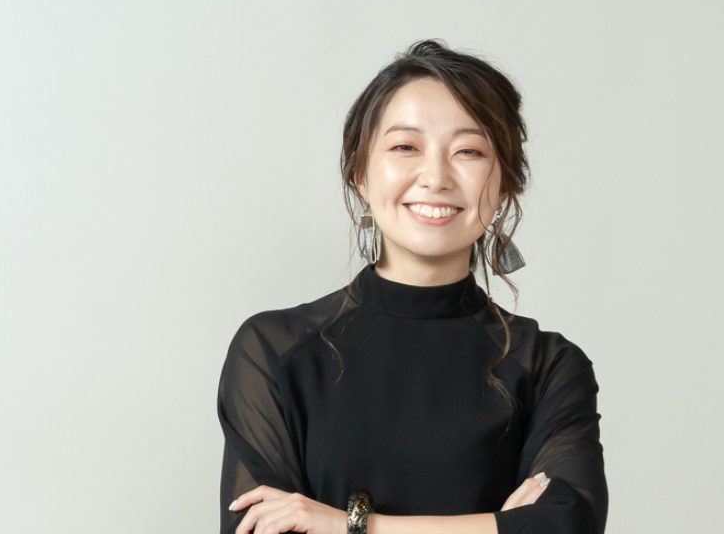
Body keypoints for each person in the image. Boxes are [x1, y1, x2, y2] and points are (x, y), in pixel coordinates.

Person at [216, 39, 608, 534]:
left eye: (469, 151)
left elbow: (567, 525)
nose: (436, 177)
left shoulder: (548, 366)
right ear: (360, 172)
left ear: (505, 183)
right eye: (406, 147)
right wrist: (500, 526)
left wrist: (354, 526)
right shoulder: (275, 351)